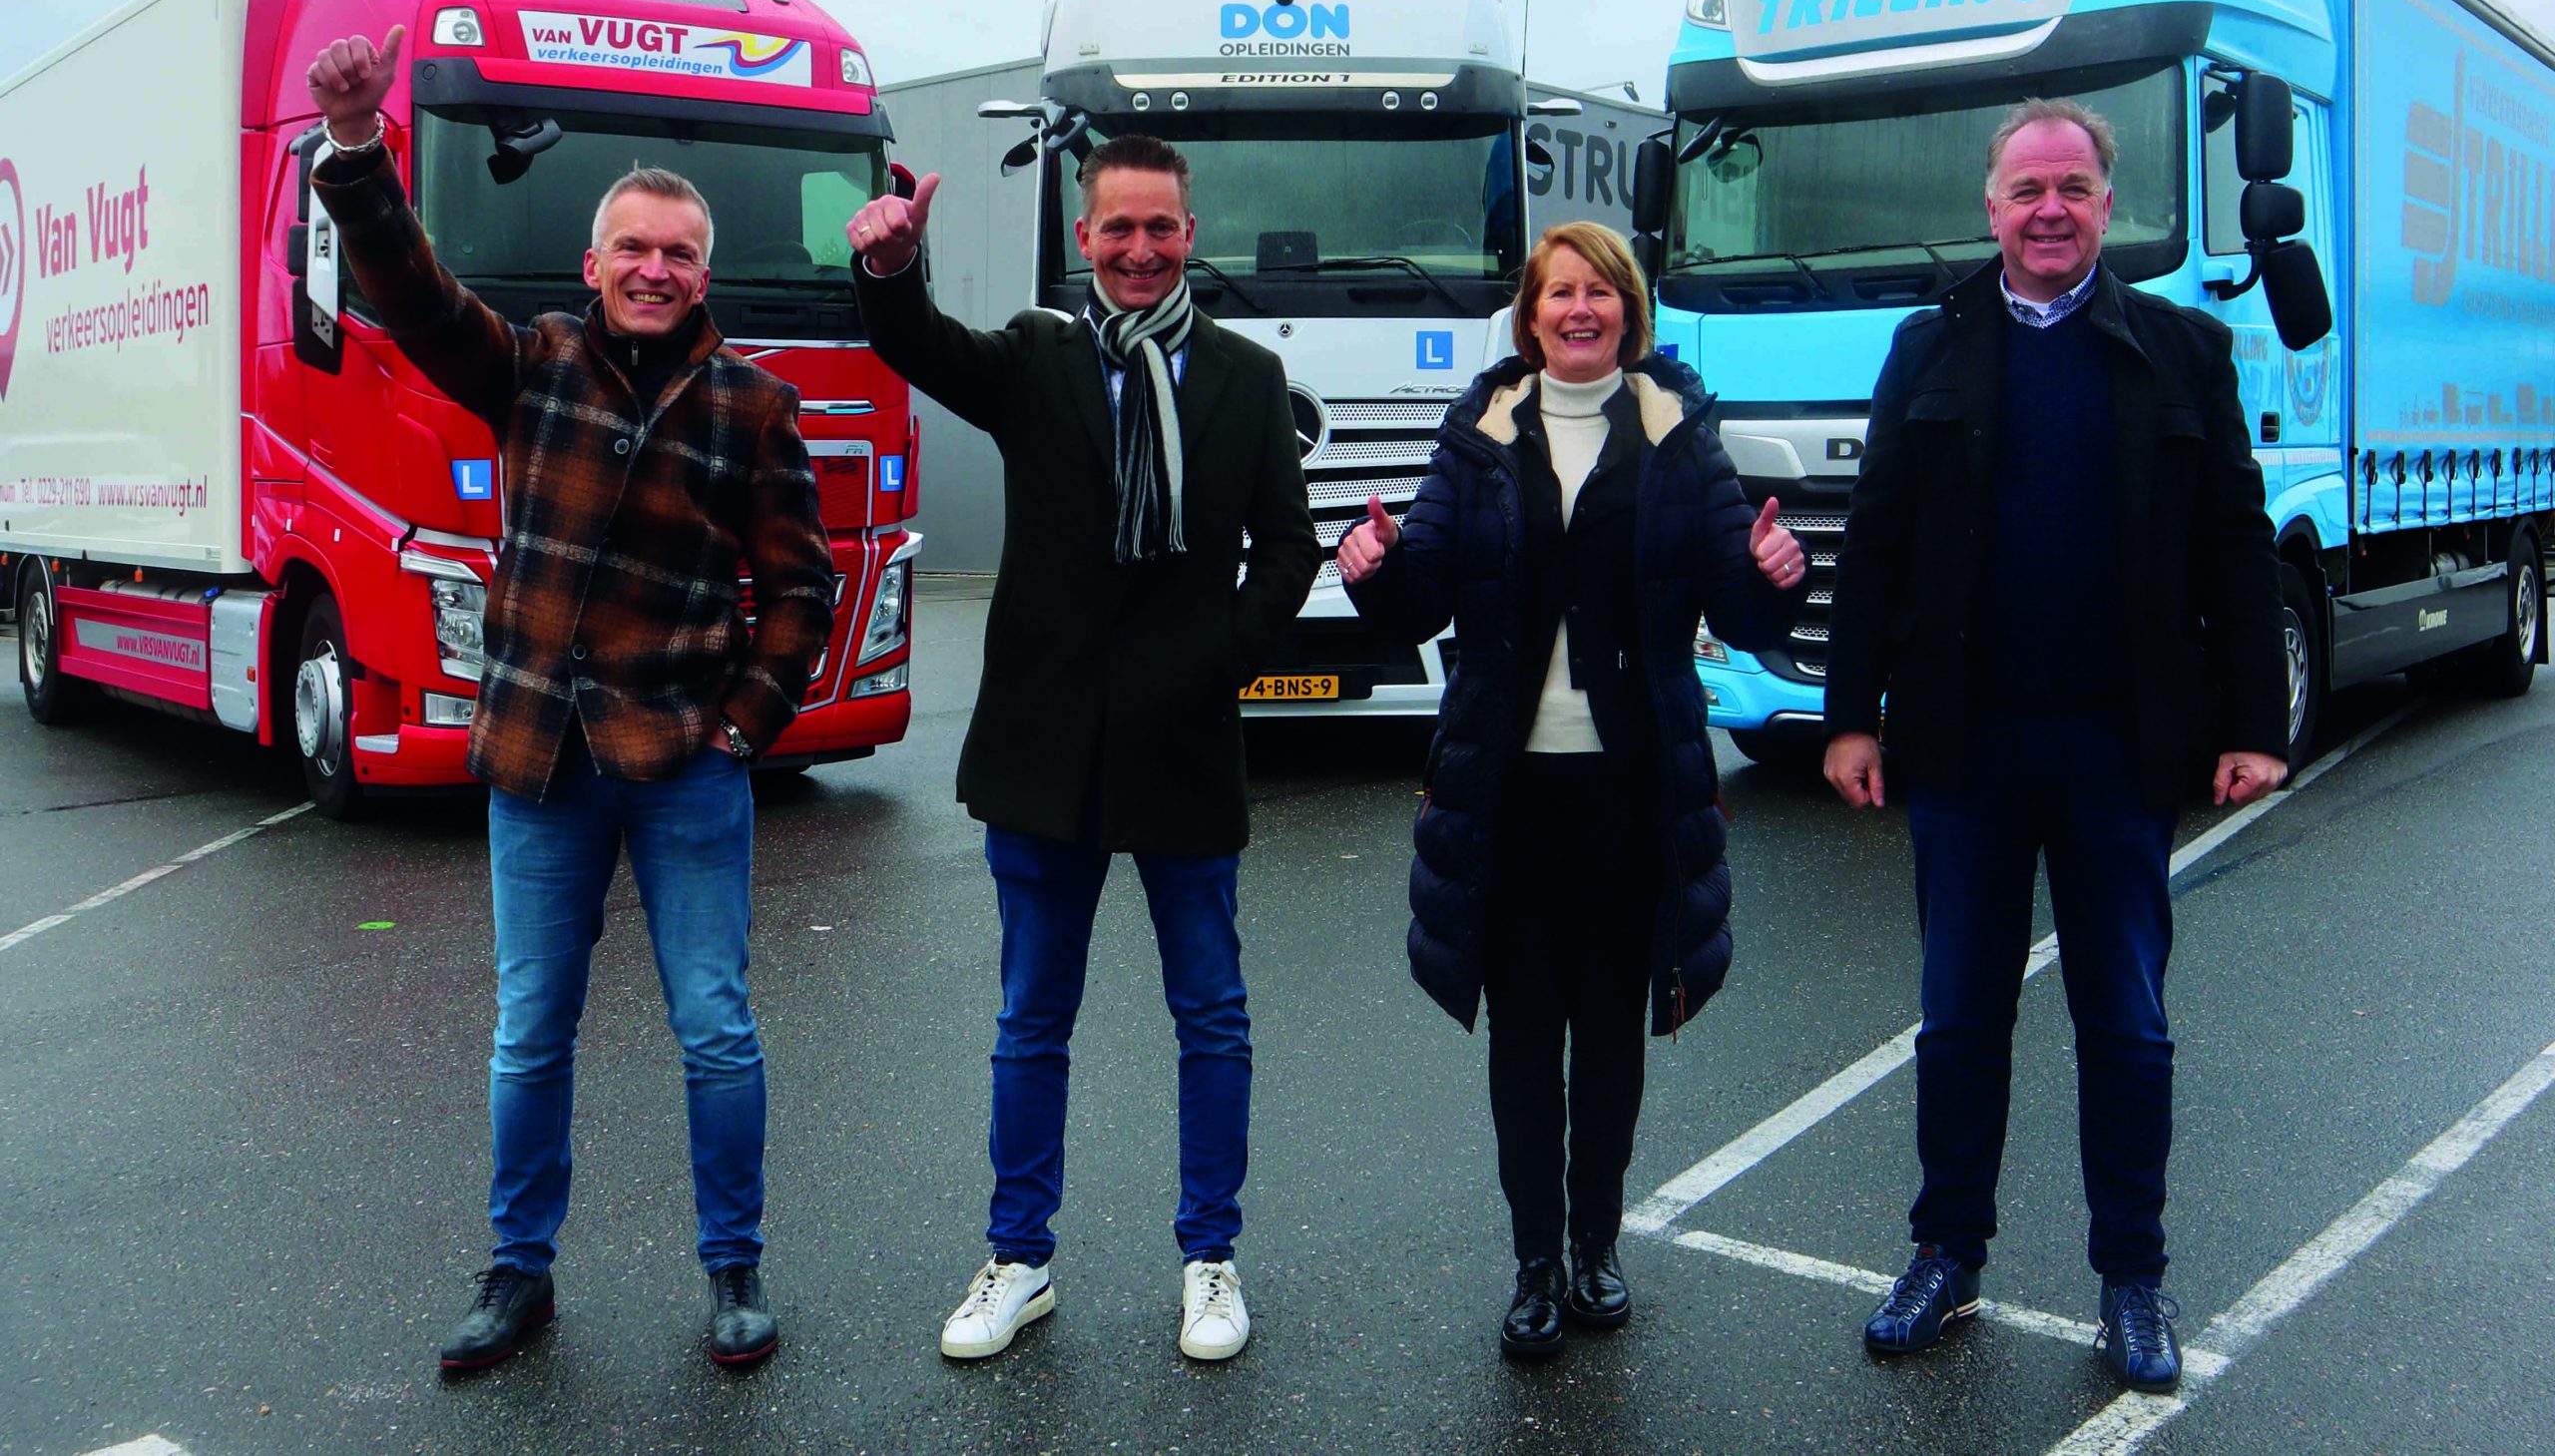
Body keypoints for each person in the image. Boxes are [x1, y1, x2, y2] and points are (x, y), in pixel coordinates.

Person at [305, 27, 833, 1372]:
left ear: (704, 274)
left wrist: (746, 722)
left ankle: (733, 1269)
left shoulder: (754, 405)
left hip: (686, 763)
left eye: (679, 253)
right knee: (530, 1034)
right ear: (594, 266)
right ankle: (518, 1272)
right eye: (632, 248)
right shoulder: (532, 362)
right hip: (541, 759)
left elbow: (801, 588)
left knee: (715, 1029)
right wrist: (358, 149)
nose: (655, 268)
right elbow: (417, 296)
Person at [1822, 99, 2290, 1393]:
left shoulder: (2182, 351)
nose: (2047, 210)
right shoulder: (1930, 347)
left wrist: (2255, 724)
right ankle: (1945, 1254)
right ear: (1990, 207)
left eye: (2071, 188)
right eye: (2025, 189)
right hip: (1964, 752)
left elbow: (2235, 545)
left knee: (2126, 1026)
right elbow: (1877, 540)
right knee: (1959, 1020)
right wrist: (1850, 713)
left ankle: (2131, 1277)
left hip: (2116, 752)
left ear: (2105, 203)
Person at [844, 135, 1318, 1363]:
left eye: (1160, 228)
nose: (1140, 250)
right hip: (1042, 748)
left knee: (1210, 1017)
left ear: (1189, 235)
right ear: (1084, 237)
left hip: (1184, 742)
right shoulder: (1034, 359)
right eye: (1119, 228)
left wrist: (1215, 664)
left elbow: (1288, 549)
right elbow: (916, 345)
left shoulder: (1248, 377)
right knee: (1030, 1021)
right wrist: (892, 268)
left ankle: (1210, 1258)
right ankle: (1019, 1258)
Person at [1338, 221, 1808, 1360]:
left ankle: (1597, 1244)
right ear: (1531, 314)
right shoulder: (1482, 430)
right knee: (1522, 1037)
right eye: (1560, 292)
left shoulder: (1677, 433)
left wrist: (1772, 575)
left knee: (1607, 1033)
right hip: (1508, 789)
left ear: (1628, 311)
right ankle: (1534, 1263)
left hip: (1630, 789)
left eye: (1599, 291)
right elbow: (1424, 589)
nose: (1579, 309)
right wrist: (1376, 570)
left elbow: (1739, 601)